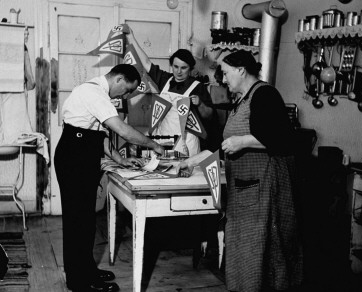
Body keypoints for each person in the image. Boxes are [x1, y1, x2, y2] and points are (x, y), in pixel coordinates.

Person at [176, 50, 304, 291]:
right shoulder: (242, 99)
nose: (223, 79)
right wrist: (191, 162)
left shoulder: (265, 94)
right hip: (246, 188)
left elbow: (283, 139)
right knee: (245, 249)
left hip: (265, 187)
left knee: (263, 249)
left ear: (241, 70)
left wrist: (243, 141)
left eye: (225, 73)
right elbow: (222, 145)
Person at [54, 64, 164, 292]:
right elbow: (122, 130)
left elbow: (99, 135)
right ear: (119, 79)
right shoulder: (93, 92)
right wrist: (153, 144)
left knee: (86, 220)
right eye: (125, 90)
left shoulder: (98, 94)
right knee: (77, 222)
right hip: (75, 156)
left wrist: (120, 159)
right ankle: (79, 282)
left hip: (82, 152)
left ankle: (87, 269)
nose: (123, 96)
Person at [126, 28, 219, 155]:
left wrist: (200, 104)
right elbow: (146, 63)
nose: (179, 72)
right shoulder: (164, 79)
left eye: (183, 68)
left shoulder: (198, 86)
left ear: (190, 69)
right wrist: (131, 37)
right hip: (163, 140)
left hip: (186, 144)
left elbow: (210, 116)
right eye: (175, 67)